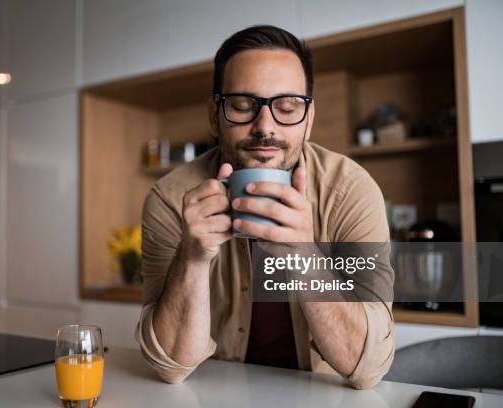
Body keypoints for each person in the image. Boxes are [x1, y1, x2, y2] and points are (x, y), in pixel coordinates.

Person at [135, 25, 394, 390]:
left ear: (309, 120)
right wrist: (192, 259)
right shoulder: (171, 198)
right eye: (242, 106)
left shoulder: (350, 191)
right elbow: (170, 366)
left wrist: (304, 256)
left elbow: (368, 368)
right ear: (215, 116)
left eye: (287, 107)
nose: (265, 127)